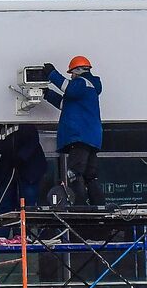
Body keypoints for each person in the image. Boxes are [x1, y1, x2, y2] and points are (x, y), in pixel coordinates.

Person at [44, 55, 105, 208]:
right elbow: (65, 104)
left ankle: (79, 205)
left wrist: (52, 74)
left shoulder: (82, 83)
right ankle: (98, 205)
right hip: (91, 137)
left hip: (79, 136)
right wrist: (46, 93)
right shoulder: (88, 89)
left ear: (78, 70)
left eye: (72, 73)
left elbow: (69, 89)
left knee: (74, 173)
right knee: (90, 176)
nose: (71, 76)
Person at [0, 123, 48, 217]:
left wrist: (22, 157)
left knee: (27, 205)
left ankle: (25, 230)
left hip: (30, 165)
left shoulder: (20, 123)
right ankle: (2, 230)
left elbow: (32, 139)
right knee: (4, 204)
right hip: (8, 164)